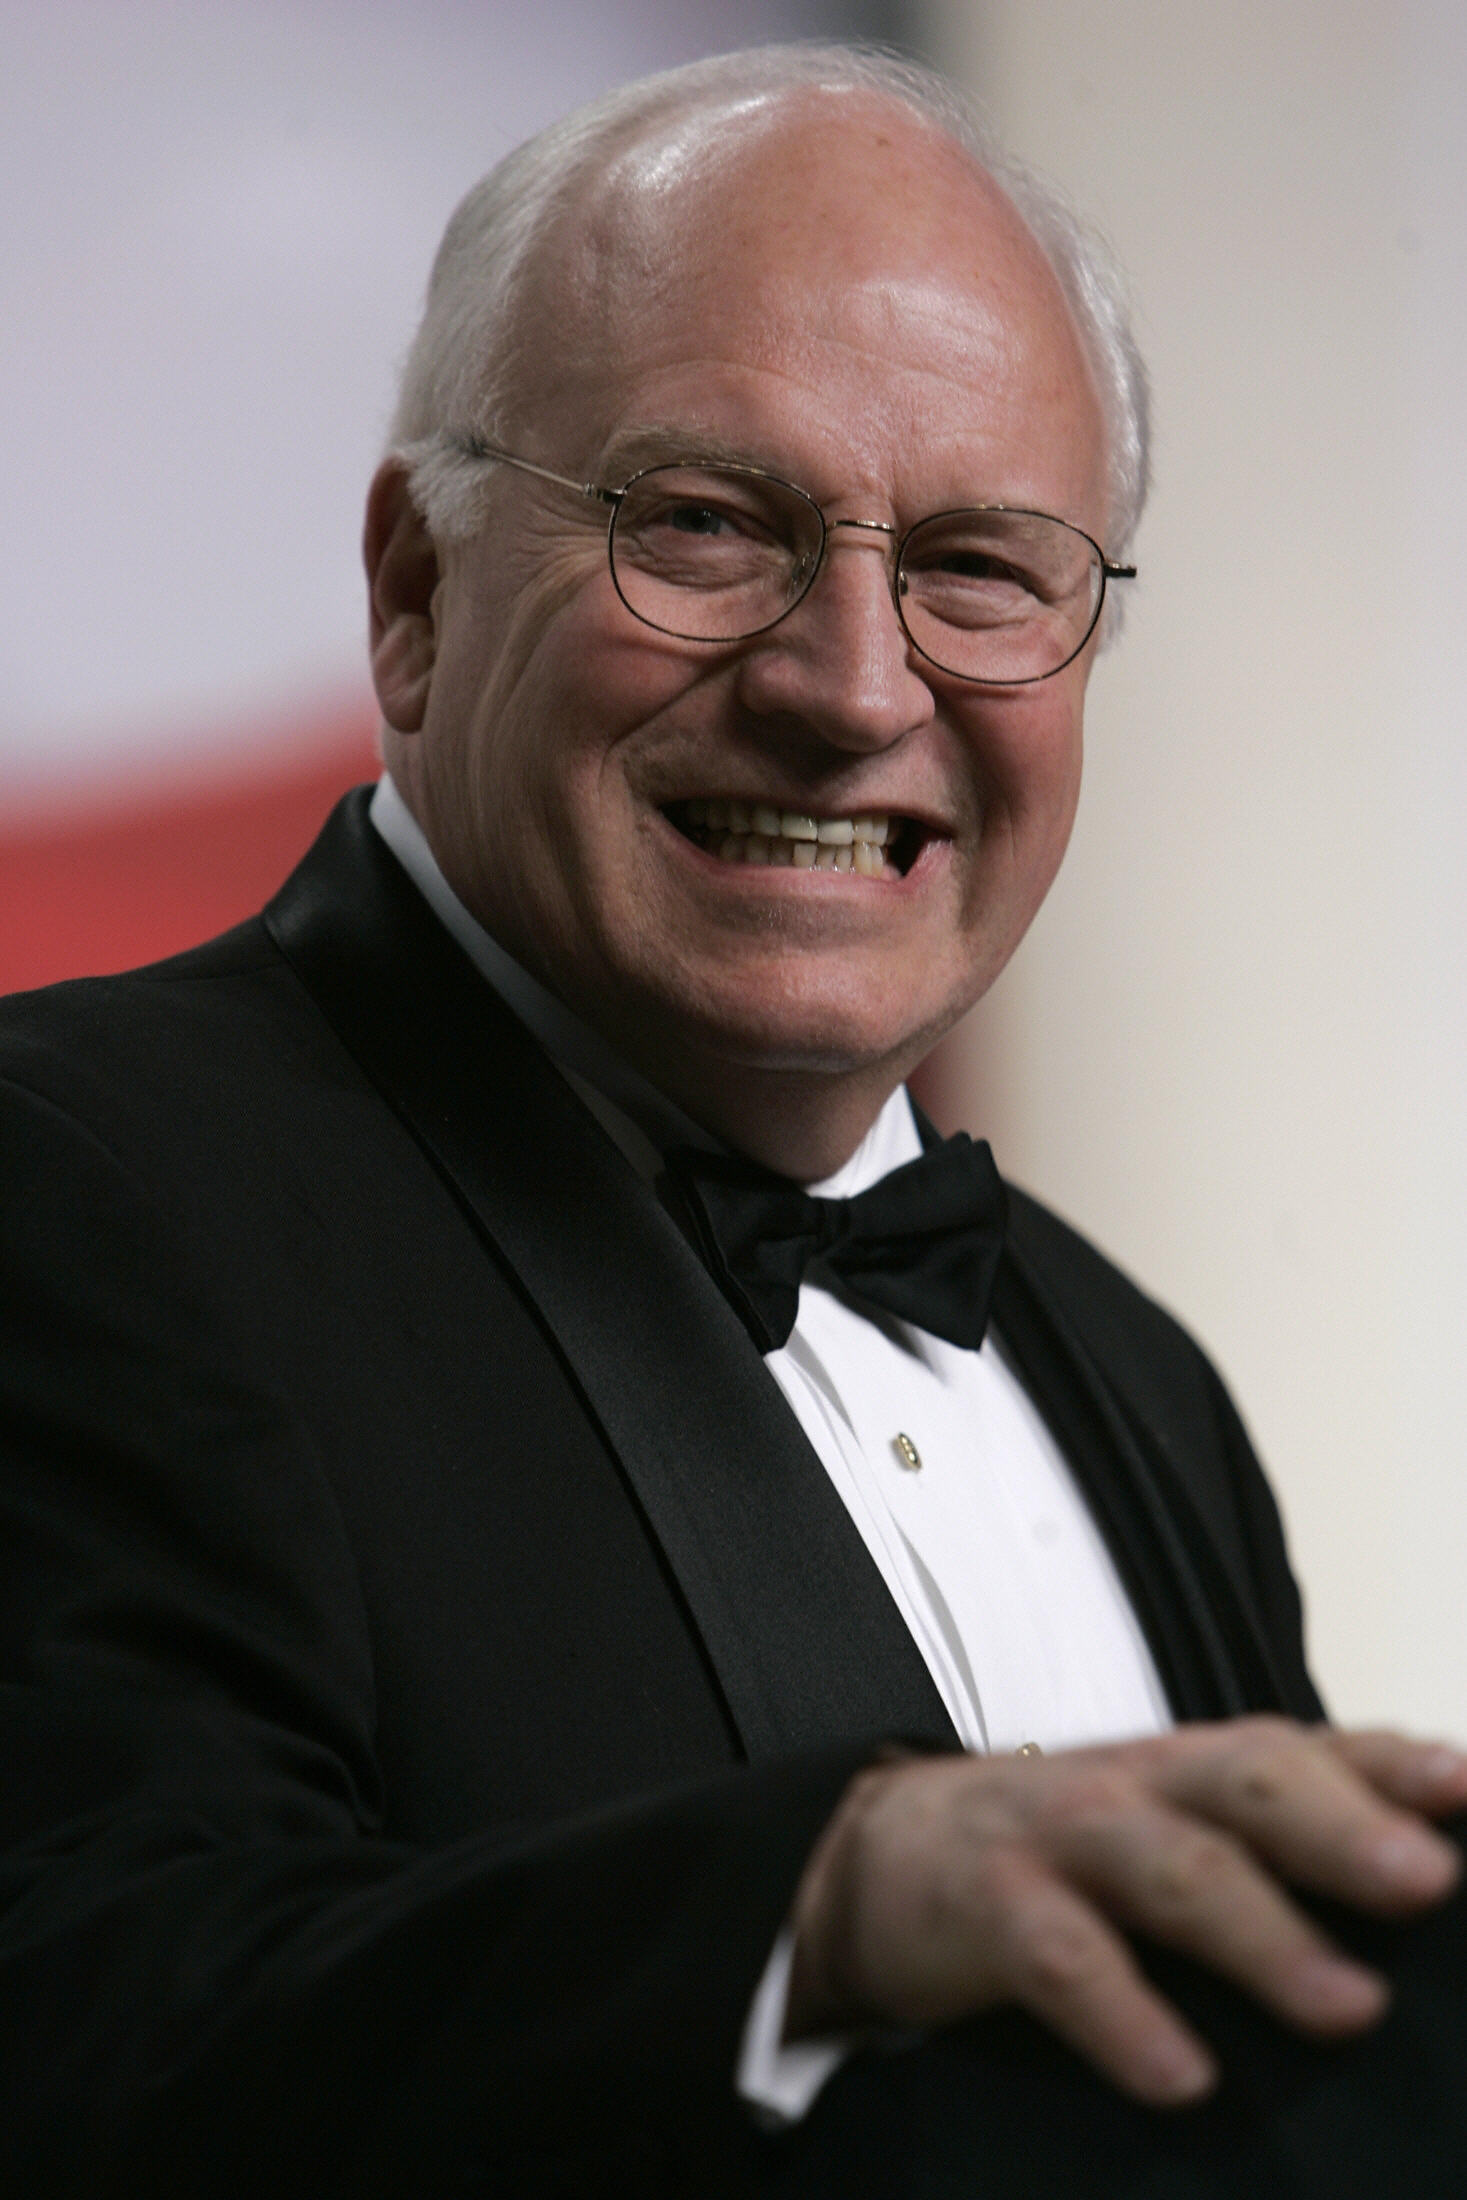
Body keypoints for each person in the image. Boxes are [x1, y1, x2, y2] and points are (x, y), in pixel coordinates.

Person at [2, 43, 1465, 2200]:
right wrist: (817, 1906)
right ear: (414, 591)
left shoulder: (1137, 1377)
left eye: (978, 566)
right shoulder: (66, 1181)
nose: (853, 685)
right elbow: (83, 2031)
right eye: (702, 523)